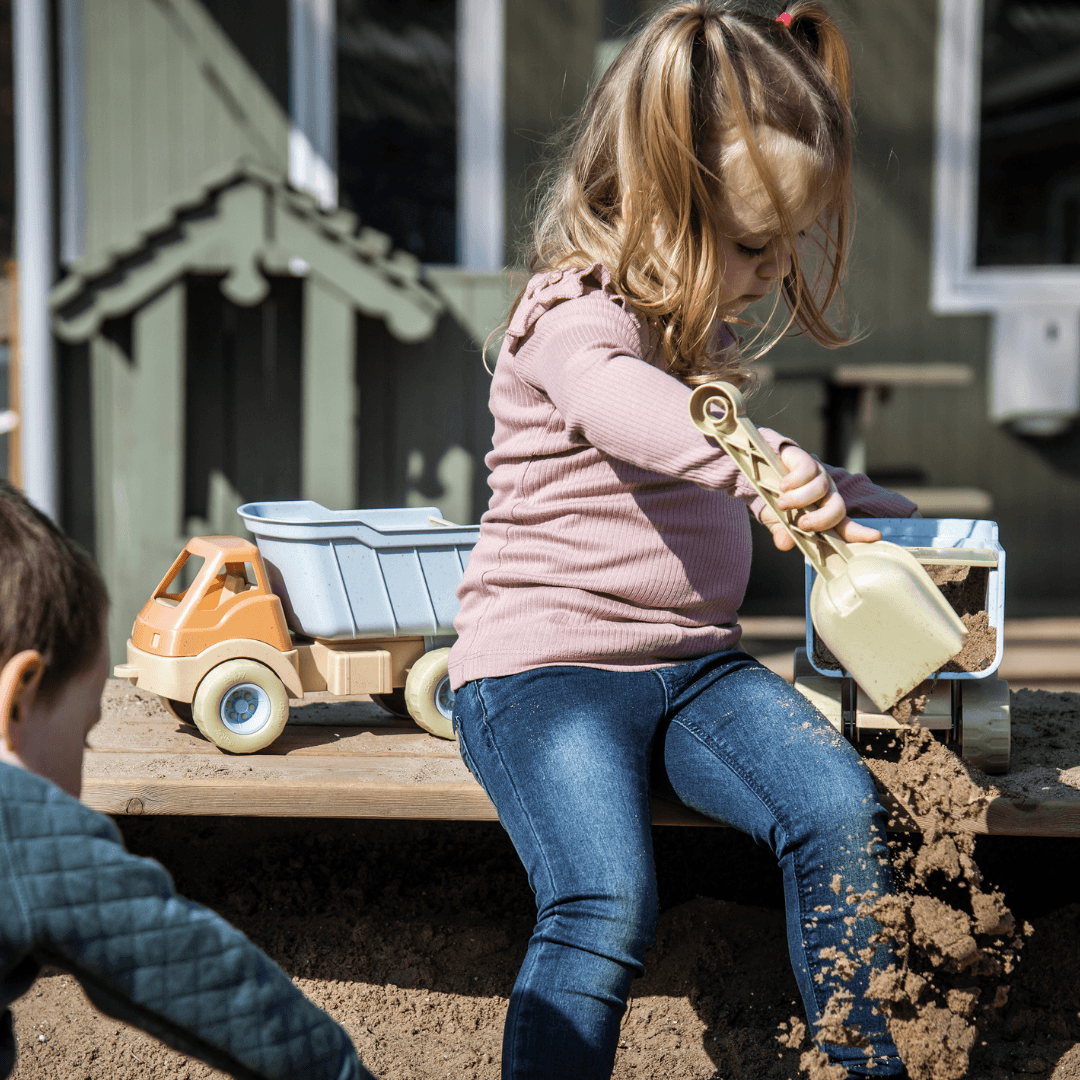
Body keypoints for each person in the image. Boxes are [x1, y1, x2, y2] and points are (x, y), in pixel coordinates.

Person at [449, 3, 917, 1078]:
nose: (771, 270)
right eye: (755, 243)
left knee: (839, 809)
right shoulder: (573, 314)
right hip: (543, 673)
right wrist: (755, 463)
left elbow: (725, 446)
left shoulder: (684, 336)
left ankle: (861, 1062)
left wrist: (858, 499)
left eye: (789, 242)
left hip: (694, 669)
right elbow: (624, 409)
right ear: (658, 197)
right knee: (604, 899)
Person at [0, 479, 376, 1080]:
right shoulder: (18, 826)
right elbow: (210, 981)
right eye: (84, 734)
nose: (84, 757)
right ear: (17, 701)